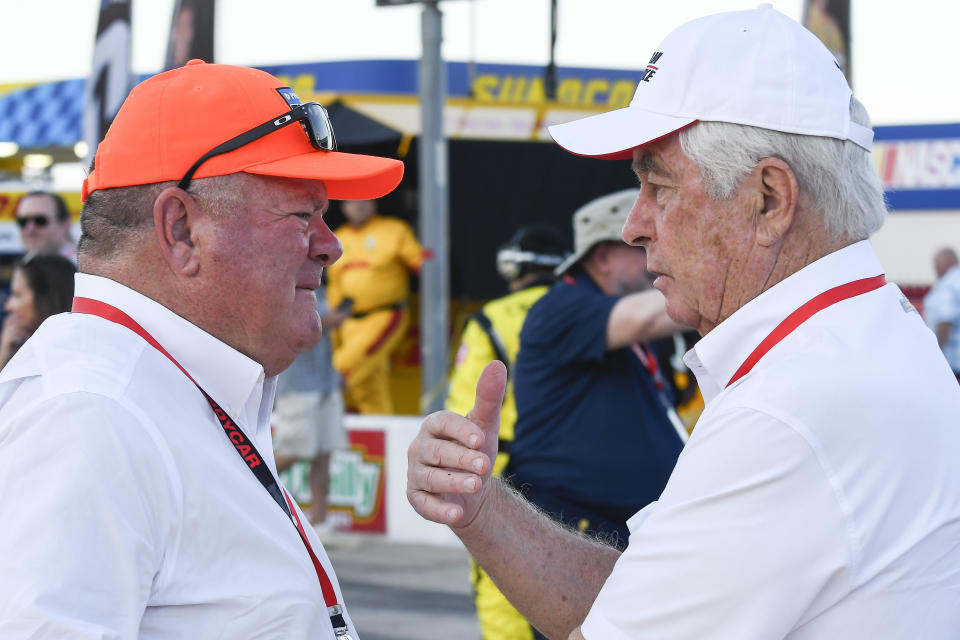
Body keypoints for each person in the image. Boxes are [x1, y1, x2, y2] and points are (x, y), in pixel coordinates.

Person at [406, 7, 960, 640]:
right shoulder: (861, 338)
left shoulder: (789, 409)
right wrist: (483, 510)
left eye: (658, 186)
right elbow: (642, 598)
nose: (634, 224)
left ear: (769, 199)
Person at [0, 59, 403, 638]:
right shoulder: (91, 416)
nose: (330, 245)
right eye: (303, 213)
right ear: (182, 230)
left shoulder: (154, 391)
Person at [507, 189, 687, 553]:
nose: (656, 256)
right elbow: (646, 318)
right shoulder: (561, 307)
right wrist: (721, 286)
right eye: (642, 245)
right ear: (603, 257)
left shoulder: (601, 315)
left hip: (604, 530)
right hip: (576, 528)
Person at [444, 223, 567, 640]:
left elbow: (464, 411)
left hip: (510, 469)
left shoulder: (490, 319)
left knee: (503, 584)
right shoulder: (593, 311)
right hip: (581, 474)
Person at [327, 198, 423, 414]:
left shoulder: (394, 229)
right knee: (367, 387)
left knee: (343, 368)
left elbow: (422, 264)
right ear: (343, 207)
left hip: (385, 315)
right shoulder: (338, 237)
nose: (358, 205)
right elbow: (335, 286)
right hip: (347, 320)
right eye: (352, 202)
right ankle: (383, 438)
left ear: (374, 203)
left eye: (364, 200)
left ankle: (312, 425)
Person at [272, 283, 350, 528]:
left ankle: (319, 521)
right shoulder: (286, 284)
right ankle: (245, 490)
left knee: (324, 454)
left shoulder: (317, 285)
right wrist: (337, 318)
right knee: (293, 450)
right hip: (297, 385)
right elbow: (305, 327)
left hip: (325, 382)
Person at [0, 252, 76, 369]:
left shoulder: (73, 358)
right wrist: (5, 356)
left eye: (17, 295)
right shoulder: (20, 348)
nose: (8, 306)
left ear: (45, 299)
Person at [922, 247, 960, 380]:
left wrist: (933, 356)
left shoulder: (948, 284)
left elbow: (945, 322)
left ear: (947, 263)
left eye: (936, 263)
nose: (935, 268)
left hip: (953, 366)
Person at [14, 190, 77, 262]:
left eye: (40, 221)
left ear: (65, 224)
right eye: (23, 221)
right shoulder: (27, 263)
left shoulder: (82, 269)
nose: (30, 229)